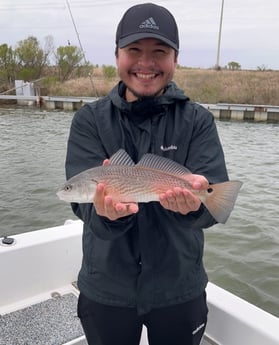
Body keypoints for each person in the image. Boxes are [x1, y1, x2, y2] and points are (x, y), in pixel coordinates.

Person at [65, 3, 229, 345]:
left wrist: (196, 205)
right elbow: (84, 209)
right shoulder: (89, 121)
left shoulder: (198, 121)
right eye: (133, 50)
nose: (146, 62)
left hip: (179, 290)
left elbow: (213, 200)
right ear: (116, 56)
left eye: (160, 51)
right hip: (106, 290)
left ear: (175, 59)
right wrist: (107, 216)